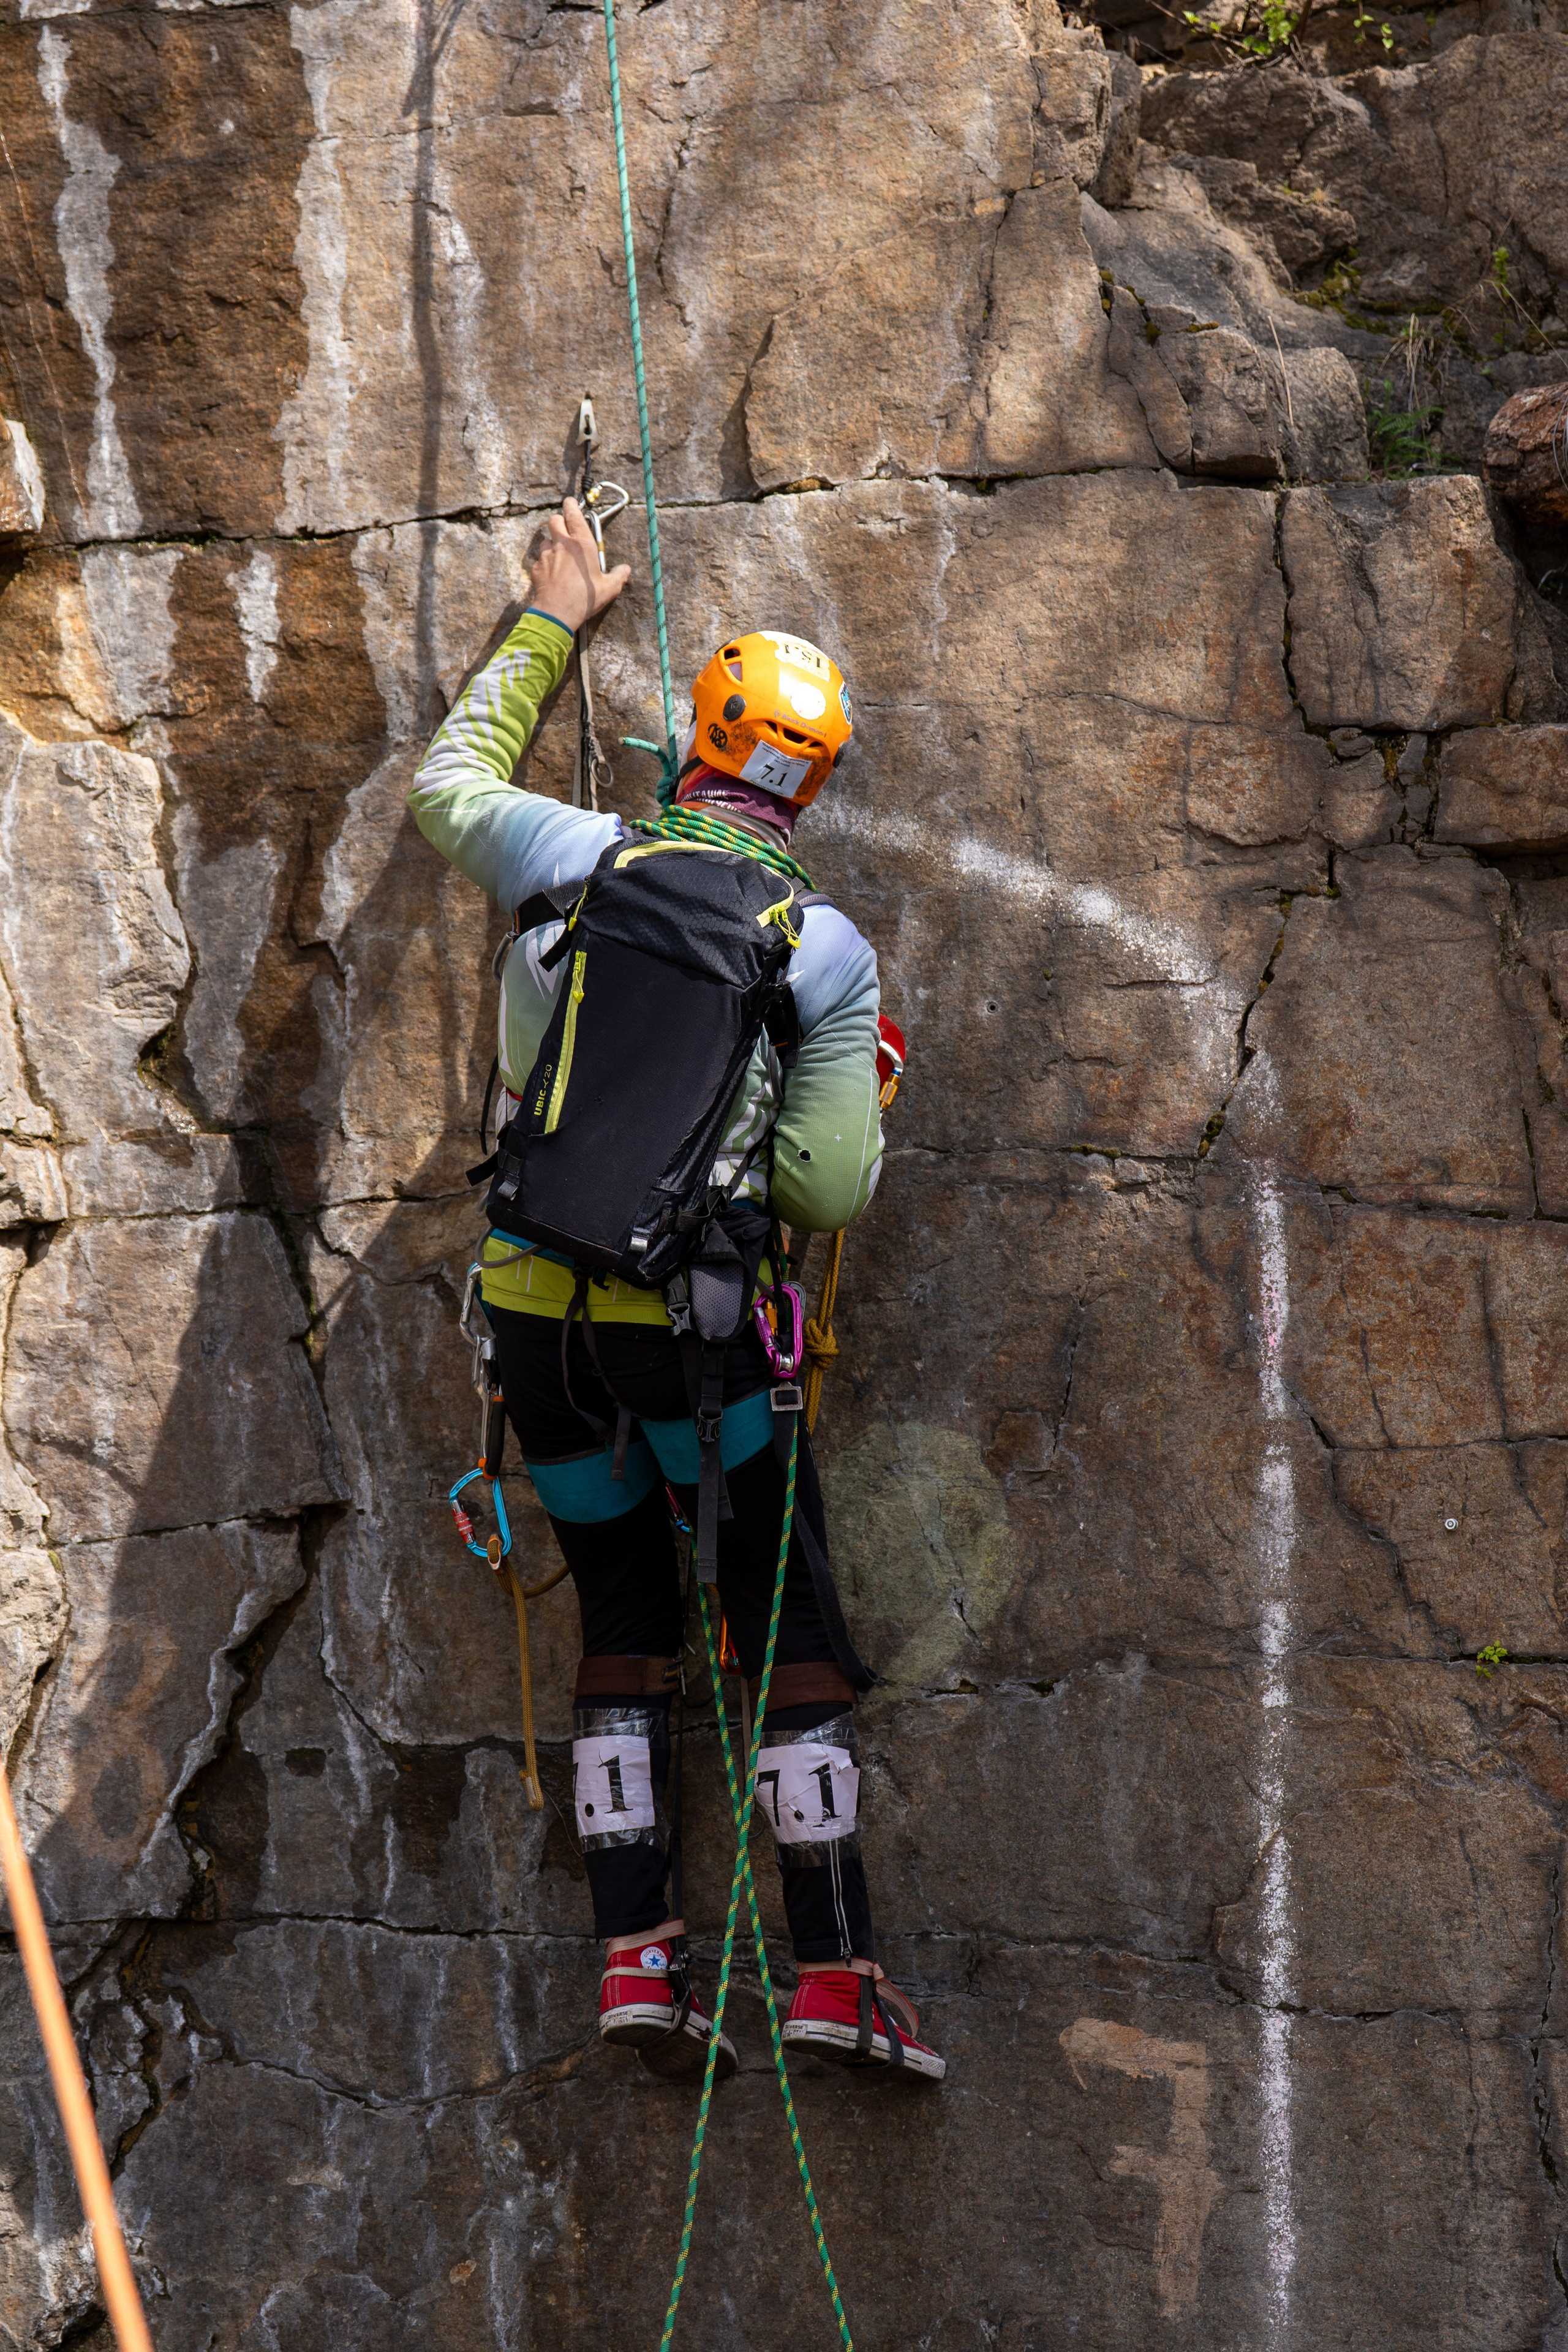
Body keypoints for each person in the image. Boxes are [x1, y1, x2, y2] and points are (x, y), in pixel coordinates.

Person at [409, 497, 944, 2084]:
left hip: (535, 1325)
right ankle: (834, 1972)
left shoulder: (580, 854)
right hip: (696, 1349)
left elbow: (445, 791)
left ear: (696, 744)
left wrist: (552, 622)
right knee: (786, 1631)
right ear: (816, 782)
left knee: (623, 1620)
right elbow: (827, 1191)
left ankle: (639, 1963)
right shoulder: (822, 951)